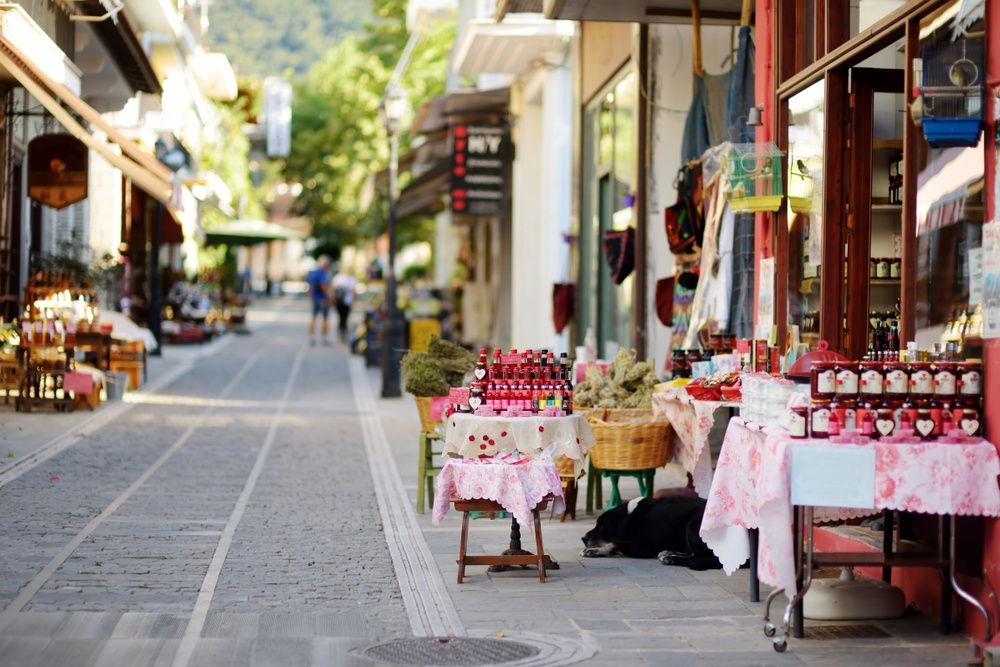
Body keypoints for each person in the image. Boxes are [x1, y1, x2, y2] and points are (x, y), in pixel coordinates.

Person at [306, 255, 333, 346]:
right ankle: (324, 338)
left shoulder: (313, 273)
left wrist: (312, 296)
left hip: (315, 298)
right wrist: (329, 298)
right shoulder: (323, 273)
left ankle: (312, 337)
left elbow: (309, 287)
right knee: (324, 319)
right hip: (323, 299)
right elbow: (324, 286)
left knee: (313, 317)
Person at [330, 267, 358, 342]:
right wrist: (354, 300)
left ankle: (341, 333)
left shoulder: (338, 277)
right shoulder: (352, 279)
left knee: (341, 317)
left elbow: (332, 287)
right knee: (345, 318)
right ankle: (343, 333)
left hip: (339, 301)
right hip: (347, 301)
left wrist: (333, 297)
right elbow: (353, 291)